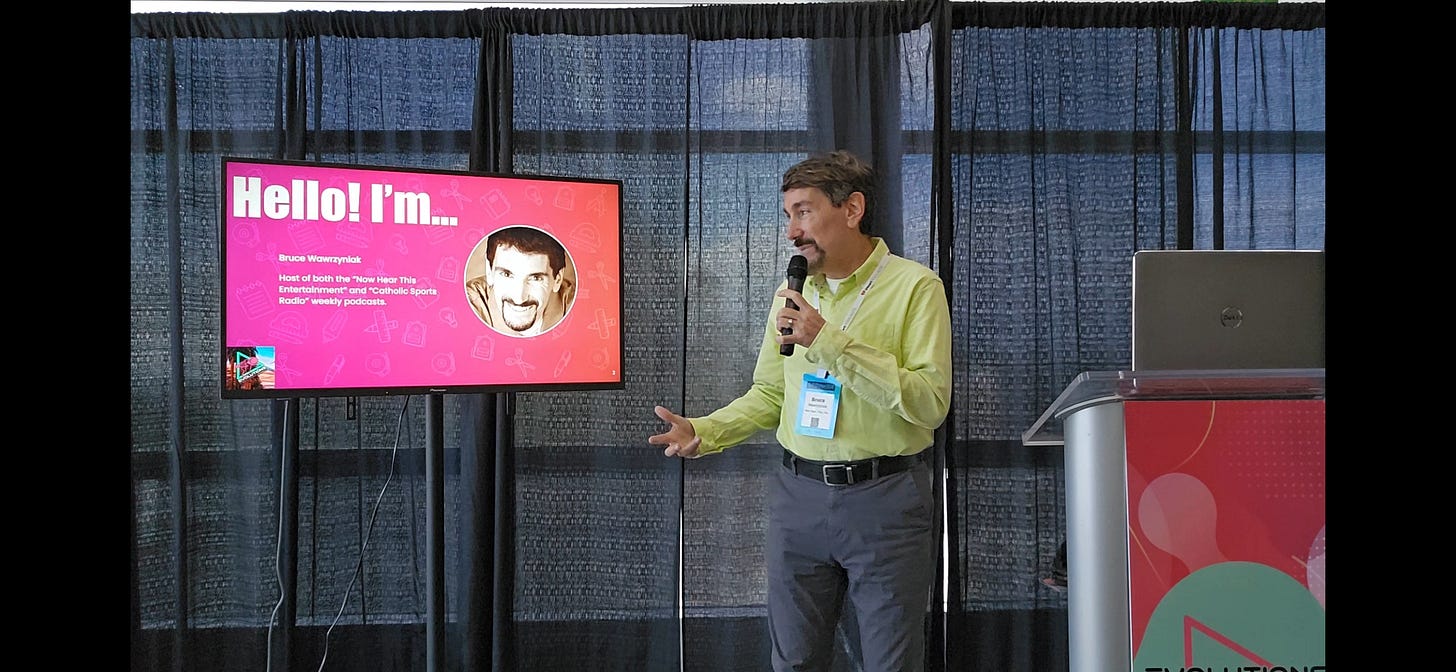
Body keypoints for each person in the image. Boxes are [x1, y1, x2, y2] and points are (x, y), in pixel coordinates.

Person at [648, 150, 952, 672]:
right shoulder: (791, 294)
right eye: (788, 215)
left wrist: (828, 341)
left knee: (892, 663)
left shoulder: (915, 288)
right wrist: (706, 430)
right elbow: (771, 394)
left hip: (885, 499)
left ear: (852, 209)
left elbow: (929, 402)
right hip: (798, 498)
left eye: (804, 212)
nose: (792, 231)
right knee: (794, 661)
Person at [464, 225, 574, 337]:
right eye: (506, 274)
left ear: (557, 280)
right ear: (489, 271)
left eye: (536, 278)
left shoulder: (577, 305)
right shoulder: (465, 304)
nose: (519, 299)